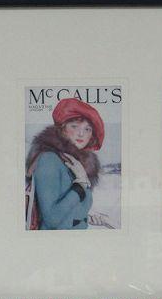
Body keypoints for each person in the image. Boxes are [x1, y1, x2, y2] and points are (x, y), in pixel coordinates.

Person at [25, 98, 104, 230]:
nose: (81, 134)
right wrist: (80, 186)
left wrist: (85, 216)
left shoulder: (77, 164)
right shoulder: (49, 159)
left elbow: (69, 209)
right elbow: (52, 219)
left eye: (87, 129)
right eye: (74, 126)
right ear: (62, 128)